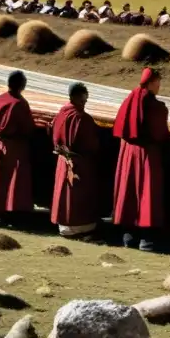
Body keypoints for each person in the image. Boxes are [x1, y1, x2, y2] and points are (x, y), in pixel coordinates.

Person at [113, 68, 169, 251]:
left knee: (129, 193)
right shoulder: (154, 106)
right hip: (147, 154)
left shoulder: (130, 99)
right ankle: (146, 240)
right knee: (147, 194)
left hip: (129, 152)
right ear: (151, 82)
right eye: (158, 82)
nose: (159, 86)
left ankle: (128, 237)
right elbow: (160, 132)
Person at [0, 71, 38, 228]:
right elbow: (27, 127)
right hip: (14, 147)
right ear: (22, 85)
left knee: (0, 179)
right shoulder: (19, 103)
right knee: (14, 180)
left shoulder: (0, 99)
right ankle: (12, 215)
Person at [51, 82, 101, 237]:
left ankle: (65, 227)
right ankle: (79, 228)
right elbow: (90, 143)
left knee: (66, 194)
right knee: (76, 196)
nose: (84, 103)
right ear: (74, 98)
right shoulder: (81, 118)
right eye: (82, 100)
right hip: (78, 163)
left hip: (62, 162)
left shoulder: (61, 114)